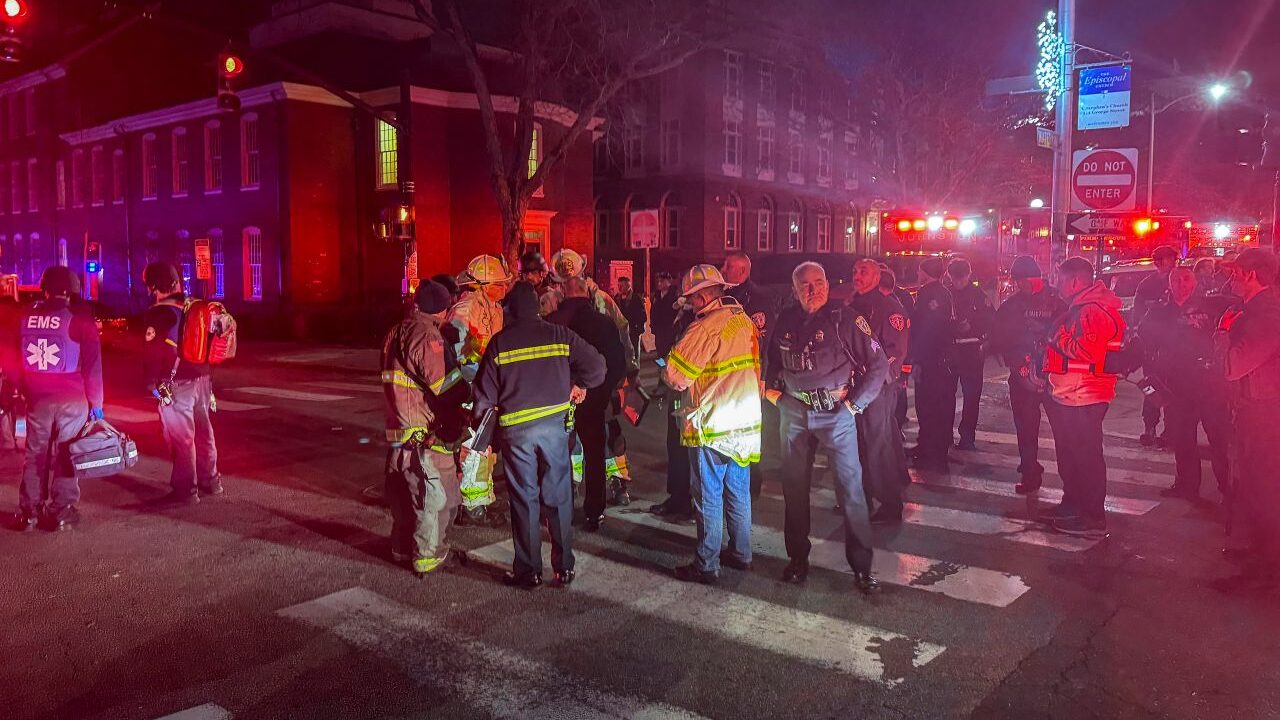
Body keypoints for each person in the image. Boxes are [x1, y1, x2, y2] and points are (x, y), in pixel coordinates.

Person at [473, 281, 606, 589]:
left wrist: (482, 435)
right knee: (559, 497)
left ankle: (529, 571)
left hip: (517, 433)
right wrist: (579, 384)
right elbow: (598, 368)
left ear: (511, 310)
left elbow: (483, 397)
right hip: (554, 429)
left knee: (524, 499)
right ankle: (564, 567)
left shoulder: (499, 343)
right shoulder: (560, 335)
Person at [767, 262, 889, 594]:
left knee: (851, 491)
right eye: (805, 285)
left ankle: (862, 568)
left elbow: (878, 365)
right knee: (794, 489)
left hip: (836, 413)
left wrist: (853, 406)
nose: (813, 290)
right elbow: (771, 363)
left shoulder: (845, 319)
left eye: (819, 282)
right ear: (794, 290)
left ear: (827, 284)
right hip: (795, 412)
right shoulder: (785, 320)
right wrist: (776, 397)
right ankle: (797, 560)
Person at [664, 265, 762, 584]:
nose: (691, 305)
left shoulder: (705, 327)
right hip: (744, 423)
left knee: (708, 496)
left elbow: (676, 376)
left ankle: (707, 564)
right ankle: (742, 553)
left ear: (703, 296)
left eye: (692, 299)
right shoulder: (744, 320)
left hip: (713, 424)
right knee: (738, 492)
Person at [381, 280, 469, 576]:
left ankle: (401, 549)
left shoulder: (396, 331)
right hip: (424, 435)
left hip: (399, 433)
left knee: (405, 500)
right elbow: (445, 386)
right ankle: (429, 556)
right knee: (439, 499)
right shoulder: (427, 335)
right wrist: (466, 389)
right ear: (442, 309)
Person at [9, 267, 102, 531]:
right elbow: (93, 367)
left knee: (35, 454)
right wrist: (96, 405)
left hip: (37, 398)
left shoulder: (25, 316)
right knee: (67, 454)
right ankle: (61, 512)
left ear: (44, 288)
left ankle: (30, 513)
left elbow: (11, 358)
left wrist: (23, 388)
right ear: (71, 290)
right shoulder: (80, 319)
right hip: (72, 399)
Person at [1041, 257, 1126, 536]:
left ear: (1075, 281)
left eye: (1060, 279)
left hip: (1085, 395)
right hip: (1073, 395)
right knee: (1072, 456)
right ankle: (1073, 506)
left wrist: (1056, 336)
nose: (1056, 284)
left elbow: (1089, 352)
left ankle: (1092, 518)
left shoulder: (1092, 310)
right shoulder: (1081, 308)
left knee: (1086, 458)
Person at [1215, 248, 1280, 594]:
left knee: (1265, 491)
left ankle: (1268, 570)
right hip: (1256, 410)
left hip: (1266, 415)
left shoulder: (1267, 314)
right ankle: (1260, 555)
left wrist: (1222, 333)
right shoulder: (1256, 310)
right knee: (1255, 488)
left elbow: (1233, 366)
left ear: (1251, 274)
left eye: (1235, 272)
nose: (1230, 279)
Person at [1139, 267, 1231, 501]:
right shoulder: (1159, 311)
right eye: (1176, 280)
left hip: (1209, 385)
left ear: (1195, 282)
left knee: (1219, 439)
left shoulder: (1211, 306)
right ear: (1169, 284)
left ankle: (1229, 487)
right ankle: (1187, 486)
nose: (1181, 283)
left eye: (1186, 279)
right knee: (1182, 440)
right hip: (1177, 386)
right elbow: (1144, 338)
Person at [548, 277, 628, 532]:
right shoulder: (603, 323)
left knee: (556, 455)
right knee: (595, 455)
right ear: (587, 294)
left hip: (556, 400)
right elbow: (618, 363)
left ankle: (558, 508)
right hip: (594, 400)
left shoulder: (552, 322)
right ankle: (594, 511)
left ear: (564, 294)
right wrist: (602, 391)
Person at [141, 262, 222, 506]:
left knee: (181, 438)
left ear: (154, 287)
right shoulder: (194, 306)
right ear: (177, 283)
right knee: (204, 431)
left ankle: (186, 490)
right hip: (203, 379)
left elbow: (154, 351)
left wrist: (151, 384)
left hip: (176, 383)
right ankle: (211, 480)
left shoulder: (158, 313)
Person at [991, 256, 1067, 494]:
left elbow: (1069, 333)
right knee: (1025, 430)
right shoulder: (1013, 305)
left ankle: (1070, 482)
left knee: (1062, 432)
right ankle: (1030, 473)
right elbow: (998, 336)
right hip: (1023, 376)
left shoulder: (1058, 302)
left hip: (1054, 375)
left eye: (1021, 281)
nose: (1019, 286)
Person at [446, 254, 512, 527]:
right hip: (471, 390)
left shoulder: (493, 307)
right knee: (474, 448)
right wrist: (481, 381)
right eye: (499, 283)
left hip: (488, 388)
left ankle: (480, 499)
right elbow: (459, 354)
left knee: (485, 447)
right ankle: (471, 506)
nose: (504, 288)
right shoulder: (465, 310)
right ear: (484, 285)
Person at [848, 258, 909, 524]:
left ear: (876, 277)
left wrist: (877, 380)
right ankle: (862, 496)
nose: (857, 276)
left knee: (877, 443)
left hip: (876, 388)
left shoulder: (888, 309)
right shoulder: (853, 306)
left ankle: (890, 503)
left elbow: (895, 352)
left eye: (863, 272)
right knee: (857, 443)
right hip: (853, 386)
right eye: (855, 271)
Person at [722, 251, 779, 499]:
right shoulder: (725, 296)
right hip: (727, 376)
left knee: (749, 432)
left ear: (742, 271)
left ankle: (751, 483)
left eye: (728, 267)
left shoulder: (757, 298)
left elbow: (764, 341)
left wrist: (762, 376)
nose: (723, 271)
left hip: (750, 377)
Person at [649, 299, 695, 522]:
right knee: (675, 447)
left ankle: (686, 502)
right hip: (676, 395)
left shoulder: (696, 326)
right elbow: (665, 351)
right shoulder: (680, 323)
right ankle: (678, 498)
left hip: (688, 397)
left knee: (685, 451)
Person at [908, 256, 955, 472]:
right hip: (942, 360)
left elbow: (923, 331)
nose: (917, 275)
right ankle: (931, 448)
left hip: (930, 361)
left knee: (927, 407)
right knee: (938, 407)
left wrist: (917, 360)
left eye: (919, 271)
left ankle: (930, 453)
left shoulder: (927, 294)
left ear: (925, 273)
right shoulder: (944, 292)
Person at [1133, 245, 1179, 446]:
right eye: (1169, 259)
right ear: (1158, 261)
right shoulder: (1146, 285)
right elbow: (1137, 313)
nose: (1173, 263)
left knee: (1173, 387)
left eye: (1174, 259)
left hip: (1175, 345)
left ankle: (1170, 430)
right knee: (1151, 386)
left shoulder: (1180, 282)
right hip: (1151, 345)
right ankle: (1149, 427)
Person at [946, 259, 993, 450]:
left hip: (971, 351)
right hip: (950, 351)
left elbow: (991, 321)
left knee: (971, 397)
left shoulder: (978, 295)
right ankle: (945, 435)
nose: (958, 282)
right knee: (946, 396)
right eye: (954, 278)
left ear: (968, 275)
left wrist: (972, 327)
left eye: (961, 278)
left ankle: (967, 438)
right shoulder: (946, 294)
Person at [880, 266, 913, 433]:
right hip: (892, 366)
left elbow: (896, 345)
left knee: (895, 400)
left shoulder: (892, 306)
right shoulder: (891, 301)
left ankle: (896, 430)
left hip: (890, 368)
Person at [613, 276, 647, 359]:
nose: (619, 288)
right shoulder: (617, 298)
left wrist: (637, 328)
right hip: (621, 330)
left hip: (633, 331)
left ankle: (635, 364)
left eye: (621, 286)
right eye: (618, 285)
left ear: (628, 286)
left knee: (634, 352)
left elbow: (642, 316)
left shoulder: (636, 298)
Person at [650, 271, 680, 357]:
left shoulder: (675, 294)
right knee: (659, 349)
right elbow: (653, 311)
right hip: (659, 329)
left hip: (670, 329)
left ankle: (668, 364)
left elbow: (678, 313)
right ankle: (661, 364)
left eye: (662, 281)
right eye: (658, 281)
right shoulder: (657, 295)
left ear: (669, 281)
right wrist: (653, 325)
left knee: (669, 351)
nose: (659, 283)